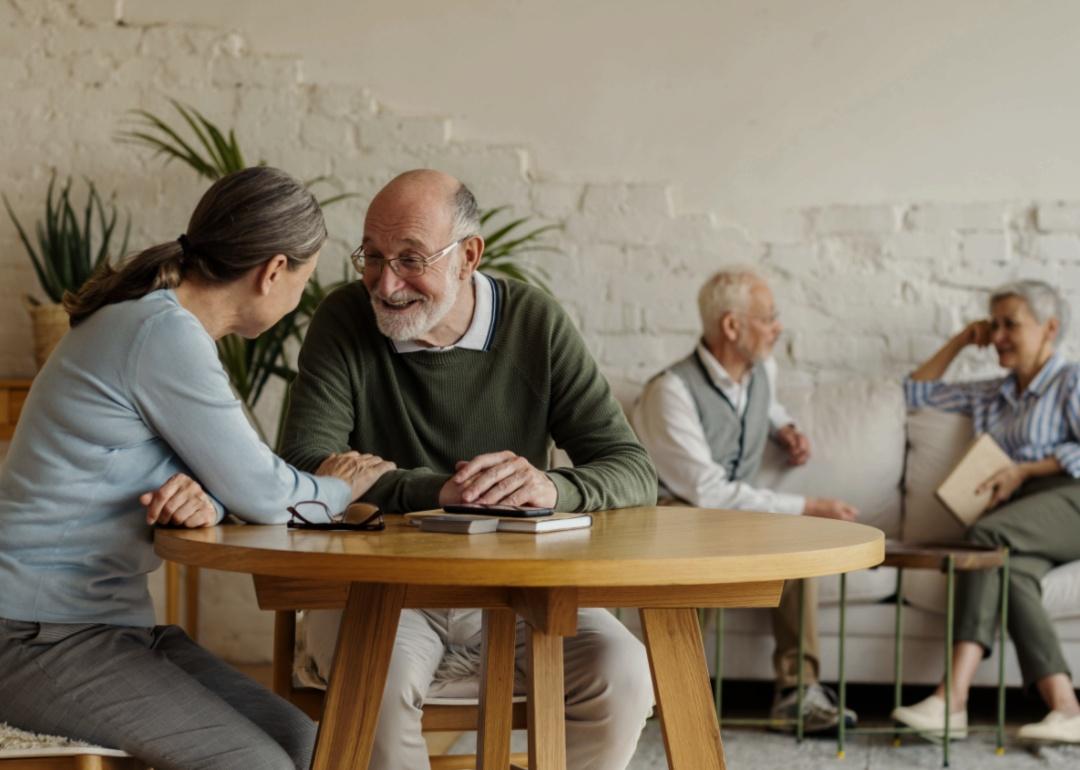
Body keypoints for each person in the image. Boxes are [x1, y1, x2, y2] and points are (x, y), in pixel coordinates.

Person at [0, 166, 394, 770]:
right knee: (257, 765)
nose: (298, 301)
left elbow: (217, 478)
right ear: (273, 273)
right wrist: (342, 484)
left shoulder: (159, 326)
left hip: (104, 630)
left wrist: (204, 499)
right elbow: (266, 494)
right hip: (34, 634)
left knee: (309, 748)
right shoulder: (162, 334)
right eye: (304, 281)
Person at [278, 168, 658, 770]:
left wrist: (549, 488)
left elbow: (632, 469)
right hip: (380, 591)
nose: (385, 282)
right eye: (371, 257)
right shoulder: (344, 320)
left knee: (625, 673)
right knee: (371, 680)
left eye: (409, 258)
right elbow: (303, 469)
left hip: (520, 589)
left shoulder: (535, 322)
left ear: (468, 256)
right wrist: (441, 492)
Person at [630, 266, 859, 733]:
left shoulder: (761, 371)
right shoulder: (669, 392)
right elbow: (707, 492)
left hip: (731, 517)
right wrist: (810, 507)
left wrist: (785, 427)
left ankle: (798, 694)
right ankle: (676, 692)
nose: (778, 328)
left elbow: (762, 402)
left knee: (797, 547)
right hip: (679, 514)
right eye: (768, 318)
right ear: (732, 327)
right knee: (711, 535)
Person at [892, 279, 1080, 743]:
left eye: (1009, 324)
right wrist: (961, 340)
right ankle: (1066, 707)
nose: (997, 336)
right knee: (1010, 570)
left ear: (1049, 327)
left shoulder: (1071, 380)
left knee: (984, 538)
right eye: (992, 325)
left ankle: (952, 697)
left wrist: (1023, 470)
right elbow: (914, 393)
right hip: (1023, 518)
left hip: (1071, 498)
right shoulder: (991, 394)